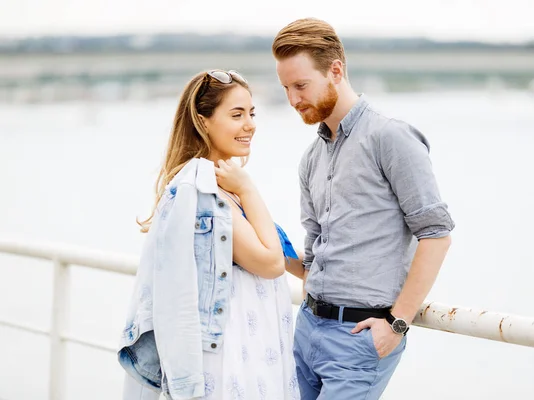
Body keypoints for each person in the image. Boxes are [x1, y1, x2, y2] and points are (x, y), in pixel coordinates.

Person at [272, 18, 456, 399]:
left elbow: (436, 235)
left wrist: (397, 323)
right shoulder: (311, 157)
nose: (292, 100)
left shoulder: (391, 137)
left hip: (358, 341)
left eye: (301, 85)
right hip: (306, 327)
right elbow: (314, 256)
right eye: (286, 88)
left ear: (335, 71)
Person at [117, 69, 302, 400]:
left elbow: (282, 251)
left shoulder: (218, 186)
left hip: (246, 352)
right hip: (227, 362)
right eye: (236, 114)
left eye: (251, 113)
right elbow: (271, 263)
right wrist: (248, 189)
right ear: (203, 121)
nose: (250, 124)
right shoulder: (206, 192)